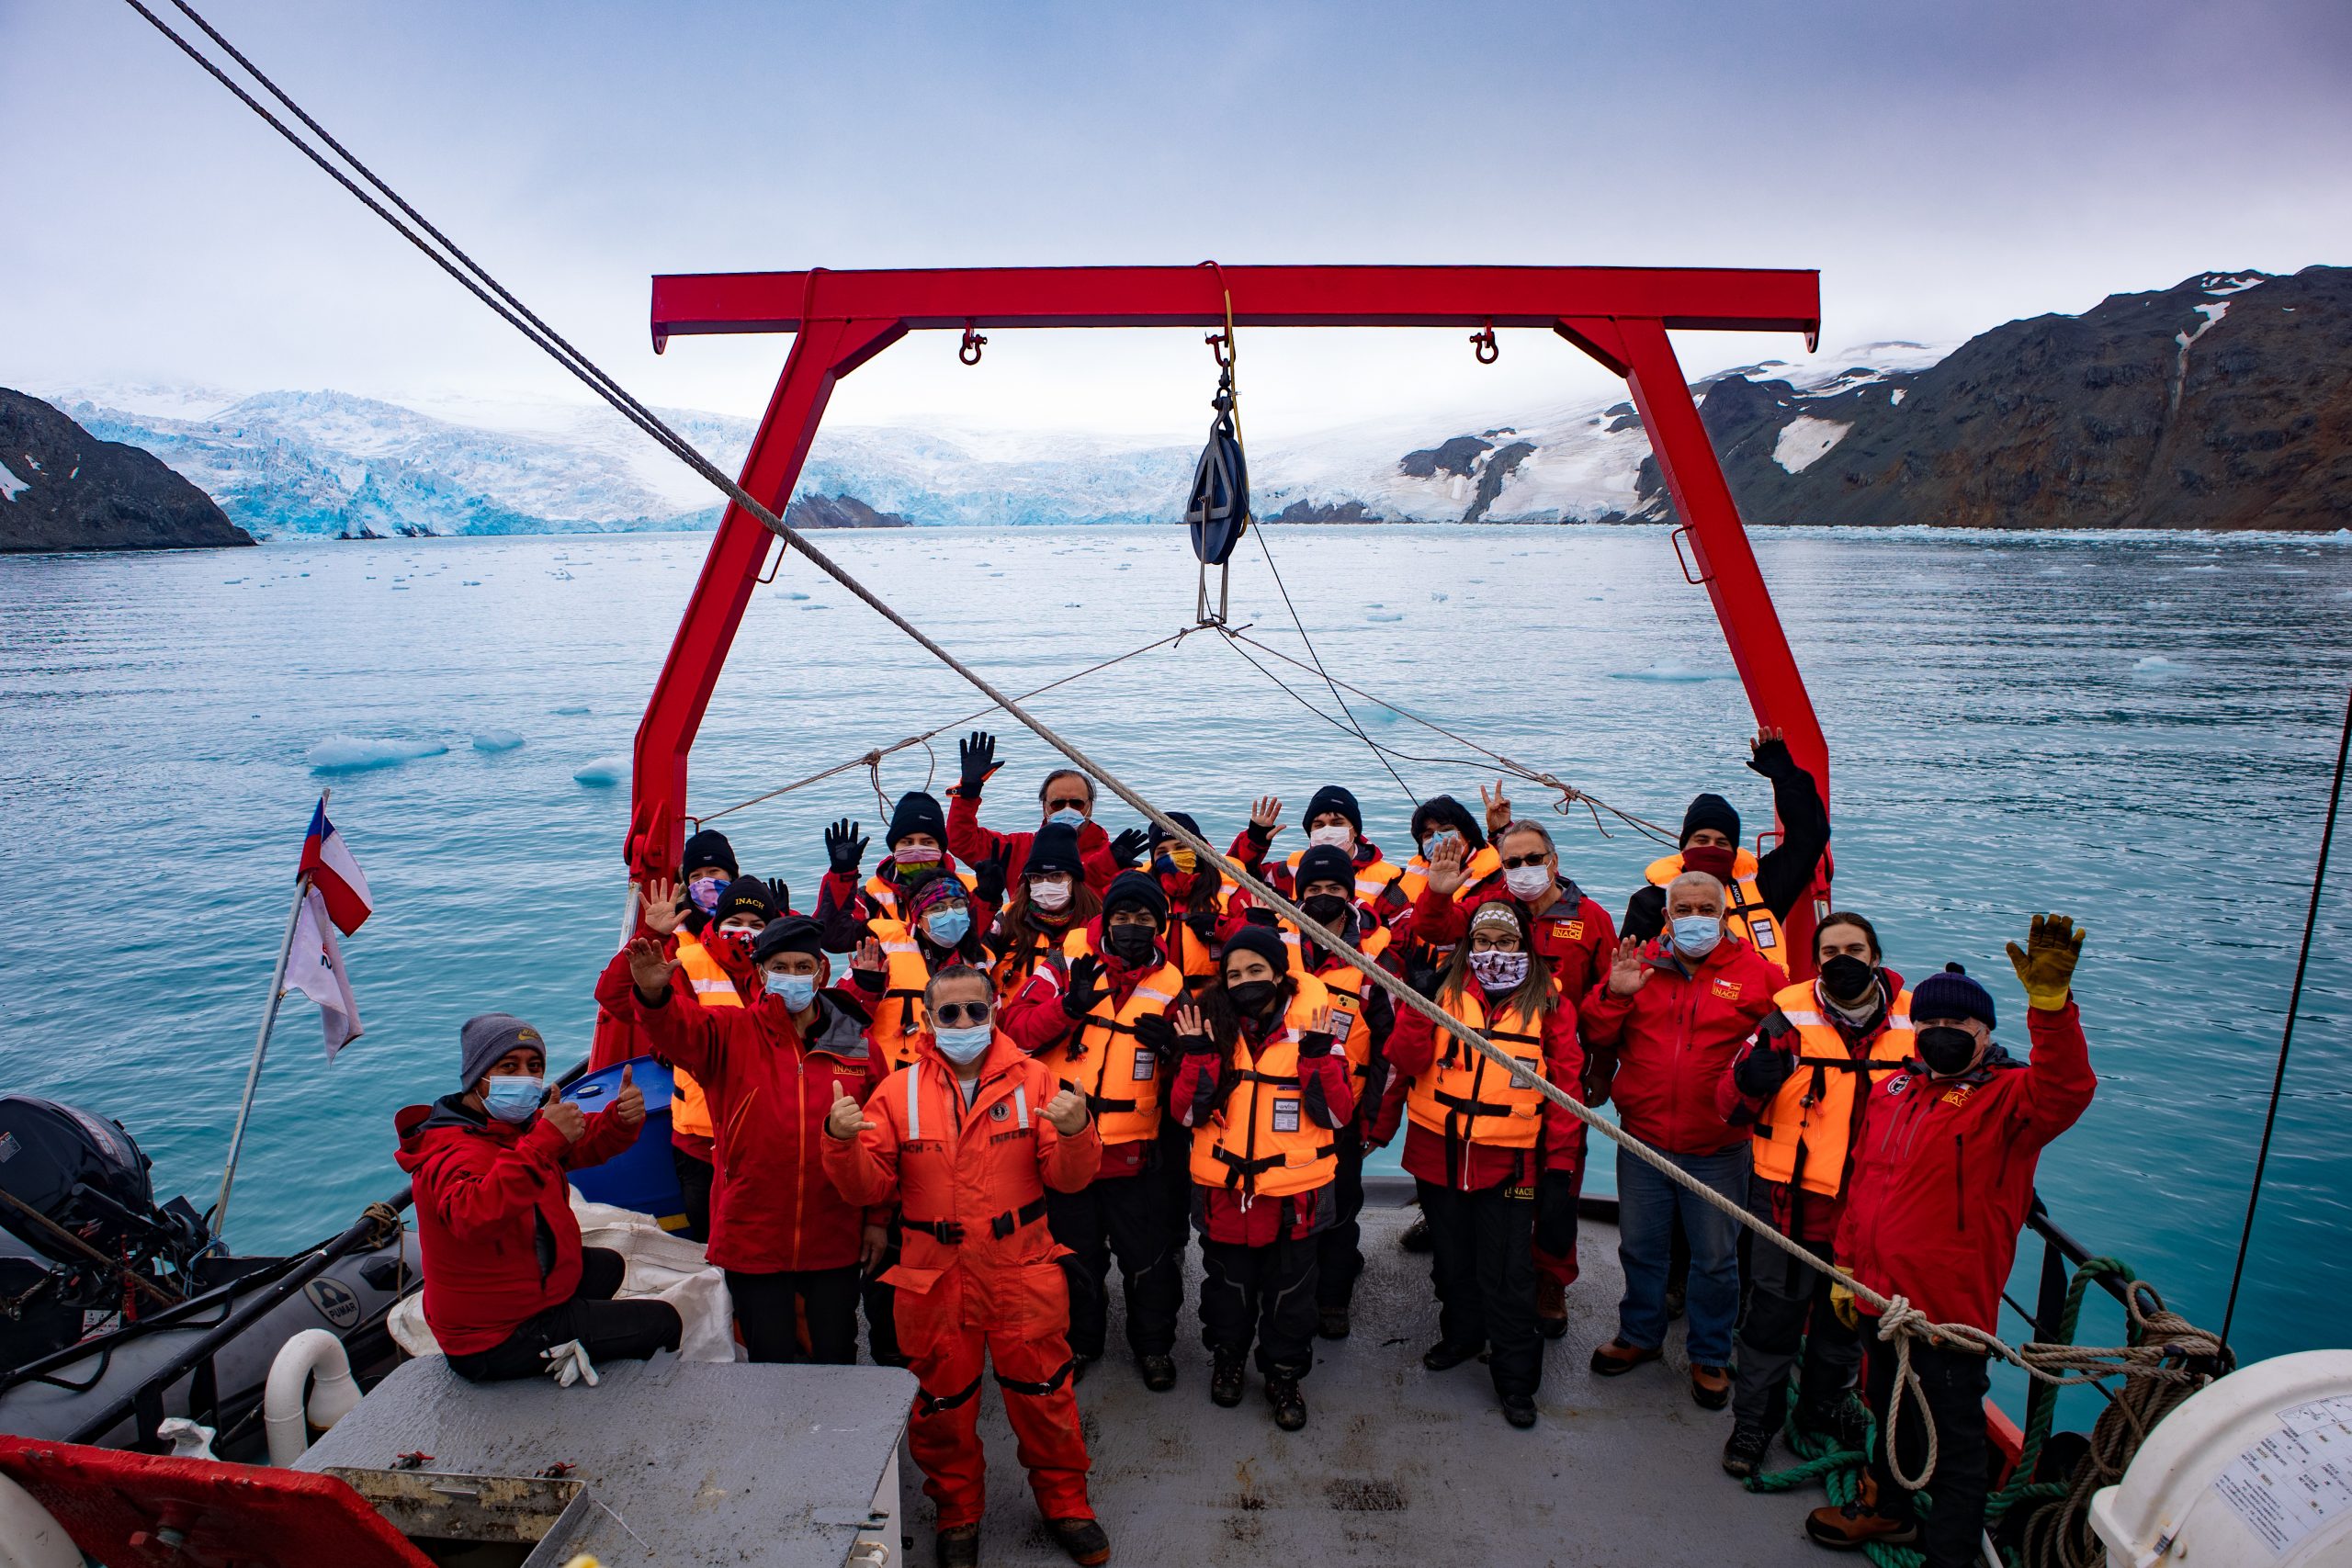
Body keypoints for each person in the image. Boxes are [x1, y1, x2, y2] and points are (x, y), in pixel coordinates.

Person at [1807, 916, 2095, 1568]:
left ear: (1985, 1033)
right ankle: (1888, 1507)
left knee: (1957, 1448)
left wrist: (2050, 1009)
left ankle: (1951, 1555)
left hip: (1947, 1313)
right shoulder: (1895, 1091)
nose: (1942, 1035)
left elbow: (2067, 1089)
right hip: (1877, 1295)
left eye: (1960, 1027)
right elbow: (1863, 1181)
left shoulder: (2011, 1101)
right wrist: (1845, 1263)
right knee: (1885, 1409)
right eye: (1931, 1024)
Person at [821, 965, 1111, 1568]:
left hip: (1022, 1268)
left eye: (973, 1011)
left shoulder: (1037, 1082)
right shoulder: (896, 1093)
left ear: (994, 1011)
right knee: (941, 1407)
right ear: (928, 1020)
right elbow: (866, 1186)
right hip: (935, 1278)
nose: (961, 1022)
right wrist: (840, 1142)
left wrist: (1079, 1129)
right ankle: (957, 1513)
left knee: (1045, 1397)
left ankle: (1067, 1503)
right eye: (948, 1013)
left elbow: (1070, 1177)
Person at [622, 916, 882, 1365]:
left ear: (822, 971)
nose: (794, 976)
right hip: (753, 1233)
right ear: (762, 973)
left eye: (804, 966)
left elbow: (884, 1143)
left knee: (838, 1353)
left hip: (834, 1231)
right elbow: (674, 1028)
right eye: (781, 966)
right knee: (769, 1357)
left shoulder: (858, 1045)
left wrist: (877, 1218)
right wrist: (653, 994)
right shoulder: (727, 1033)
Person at [1714, 911, 1910, 1477]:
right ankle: (1754, 1423)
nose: (1843, 959)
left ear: (1876, 956)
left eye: (1854, 948)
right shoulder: (1783, 1024)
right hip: (1789, 1207)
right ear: (1816, 961)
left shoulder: (1917, 1025)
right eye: (1830, 951)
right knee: (1771, 1322)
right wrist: (1753, 1078)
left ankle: (1824, 1405)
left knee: (1844, 1325)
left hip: (1870, 1211)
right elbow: (1728, 1106)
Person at [1374, 898, 1579, 1428]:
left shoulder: (1550, 1004)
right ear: (1469, 944)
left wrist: (1558, 1171)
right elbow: (1407, 1059)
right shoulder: (1439, 988)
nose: (1493, 952)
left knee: (1509, 1275)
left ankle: (1515, 1381)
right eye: (1483, 941)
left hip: (1508, 1163)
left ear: (1523, 947)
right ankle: (1462, 1337)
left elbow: (1566, 1091)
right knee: (1451, 1261)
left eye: (1505, 942)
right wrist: (1419, 1002)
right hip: (1437, 1154)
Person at [1413, 807, 1618, 1337]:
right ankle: (1484, 1282)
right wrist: (1438, 891)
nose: (1523, 867)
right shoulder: (1489, 906)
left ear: (1554, 861)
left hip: (1559, 1061)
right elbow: (1436, 927)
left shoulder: (1591, 918)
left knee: (1560, 1182)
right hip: (1496, 1064)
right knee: (1500, 1191)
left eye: (1533, 859)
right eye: (1512, 861)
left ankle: (1552, 1279)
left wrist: (1600, 1068)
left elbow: (1605, 996)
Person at [1581, 869, 1781, 1408]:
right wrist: (1616, 995)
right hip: (1643, 1140)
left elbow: (1788, 1054)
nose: (1694, 919)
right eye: (1683, 910)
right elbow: (1595, 1034)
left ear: (1723, 916)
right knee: (1641, 1248)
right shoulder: (1637, 964)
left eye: (1705, 910)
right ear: (1667, 917)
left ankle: (1710, 1354)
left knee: (1715, 1259)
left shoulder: (1762, 977)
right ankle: (1640, 1336)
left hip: (1719, 1147)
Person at [395, 1013, 680, 1382]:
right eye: (508, 1067)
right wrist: (543, 1142)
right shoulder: (451, 1153)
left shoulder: (507, 1129)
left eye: (534, 1067)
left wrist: (619, 1120)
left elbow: (579, 1143)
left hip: (513, 1296)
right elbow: (472, 1215)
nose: (524, 1079)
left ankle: (577, 1334)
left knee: (607, 1265)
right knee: (663, 1321)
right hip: (492, 1338)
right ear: (477, 1076)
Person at [1000, 869, 1187, 1390]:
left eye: (1144, 918)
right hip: (1067, 1146)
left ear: (1160, 924)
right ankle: (1082, 1343)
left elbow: (1193, 1080)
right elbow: (1013, 1031)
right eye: (1122, 916)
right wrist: (1068, 1007)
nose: (1131, 926)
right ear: (1104, 920)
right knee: (1074, 1259)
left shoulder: (1175, 989)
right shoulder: (1062, 968)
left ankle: (1153, 1348)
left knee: (1149, 1263)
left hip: (1136, 1153)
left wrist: (1176, 1051)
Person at [1170, 925, 1351, 1429]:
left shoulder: (1316, 1028)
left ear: (1278, 973)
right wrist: (1199, 1060)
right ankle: (1228, 1358)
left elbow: (1337, 1117)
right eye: (1233, 974)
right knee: (1227, 1288)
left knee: (1291, 1295)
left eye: (1255, 970)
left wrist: (1318, 1059)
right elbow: (1184, 1116)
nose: (1245, 981)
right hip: (1225, 1192)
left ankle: (1284, 1373)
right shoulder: (1209, 1031)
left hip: (1297, 1194)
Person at [845, 870, 996, 1368]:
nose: (947, 917)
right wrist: (865, 988)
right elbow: (839, 1018)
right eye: (934, 909)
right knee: (889, 1236)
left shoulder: (986, 962)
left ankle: (962, 1335)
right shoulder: (883, 951)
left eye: (956, 906)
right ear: (915, 917)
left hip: (966, 1107)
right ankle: (893, 1353)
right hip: (893, 1100)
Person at [605, 873, 779, 1243]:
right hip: (700, 1137)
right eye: (734, 922)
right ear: (718, 922)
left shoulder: (783, 970)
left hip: (769, 1136)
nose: (744, 931)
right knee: (710, 1238)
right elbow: (618, 999)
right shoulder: (684, 961)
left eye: (756, 925)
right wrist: (652, 937)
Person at [1278, 842, 1398, 1339]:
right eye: (1313, 889)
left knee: (1340, 1211)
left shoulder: (1373, 962)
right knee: (1286, 1208)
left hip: (1344, 1114)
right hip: (1281, 1109)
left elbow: (1389, 1052)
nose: (1323, 897)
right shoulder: (1275, 949)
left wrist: (1376, 1120)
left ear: (1350, 895)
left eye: (1333, 889)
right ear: (1297, 894)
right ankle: (1286, 1296)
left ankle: (1332, 1301)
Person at [1623, 727, 1829, 980]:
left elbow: (1810, 837)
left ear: (1734, 851)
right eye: (1701, 840)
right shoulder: (1651, 901)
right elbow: (1627, 967)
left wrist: (1786, 777)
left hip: (1754, 1005)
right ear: (1684, 846)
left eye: (1722, 843)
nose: (1711, 847)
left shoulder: (1765, 886)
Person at [949, 730, 1140, 893]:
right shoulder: (1016, 849)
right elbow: (962, 842)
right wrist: (968, 793)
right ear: (1044, 807)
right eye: (1058, 804)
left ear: (1089, 807)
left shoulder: (1114, 859)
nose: (1068, 809)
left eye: (1076, 803)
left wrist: (1104, 866)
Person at [814, 794, 984, 954]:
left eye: (927, 842)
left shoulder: (970, 889)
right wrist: (842, 875)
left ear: (940, 848)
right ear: (894, 848)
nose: (917, 849)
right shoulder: (873, 895)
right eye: (907, 842)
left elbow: (986, 939)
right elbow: (833, 938)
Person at [1227, 786, 1409, 924]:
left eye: (1337, 823)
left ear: (1354, 830)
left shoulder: (1386, 881)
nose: (1328, 830)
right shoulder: (1291, 868)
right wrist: (1255, 841)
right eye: (1319, 825)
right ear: (1310, 832)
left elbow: (1401, 934)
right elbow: (1235, 876)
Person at [989, 823, 1102, 1001]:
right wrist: (985, 902)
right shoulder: (1006, 919)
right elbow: (973, 953)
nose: (1045, 884)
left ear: (1074, 878)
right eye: (1036, 877)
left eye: (1056, 876)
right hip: (1007, 1022)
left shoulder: (1096, 924)